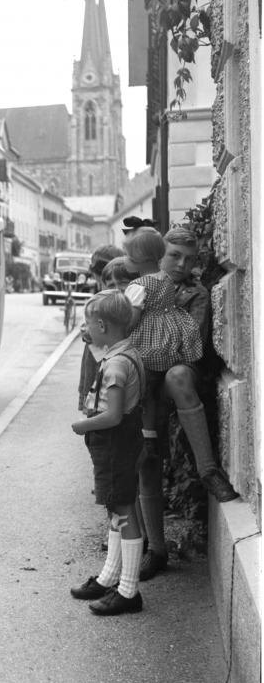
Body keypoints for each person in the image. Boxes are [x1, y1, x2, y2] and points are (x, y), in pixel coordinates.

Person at [136, 227, 238, 581]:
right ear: (160, 255)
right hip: (144, 380)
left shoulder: (197, 294)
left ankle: (208, 470)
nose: (181, 264)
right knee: (146, 459)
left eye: (189, 259)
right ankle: (155, 549)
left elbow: (187, 342)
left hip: (178, 370)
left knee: (178, 375)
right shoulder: (141, 286)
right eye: (174, 255)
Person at [70, 290, 146, 615]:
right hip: (121, 443)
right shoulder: (126, 353)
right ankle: (109, 577)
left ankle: (128, 591)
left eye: (88, 323)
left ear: (101, 325)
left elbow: (113, 416)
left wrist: (82, 426)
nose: (86, 329)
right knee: (116, 508)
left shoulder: (115, 365)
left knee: (123, 510)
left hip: (115, 443)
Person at [77, 244, 124, 412]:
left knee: (101, 402)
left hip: (107, 359)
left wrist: (89, 332)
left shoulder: (111, 298)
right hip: (102, 358)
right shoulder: (108, 295)